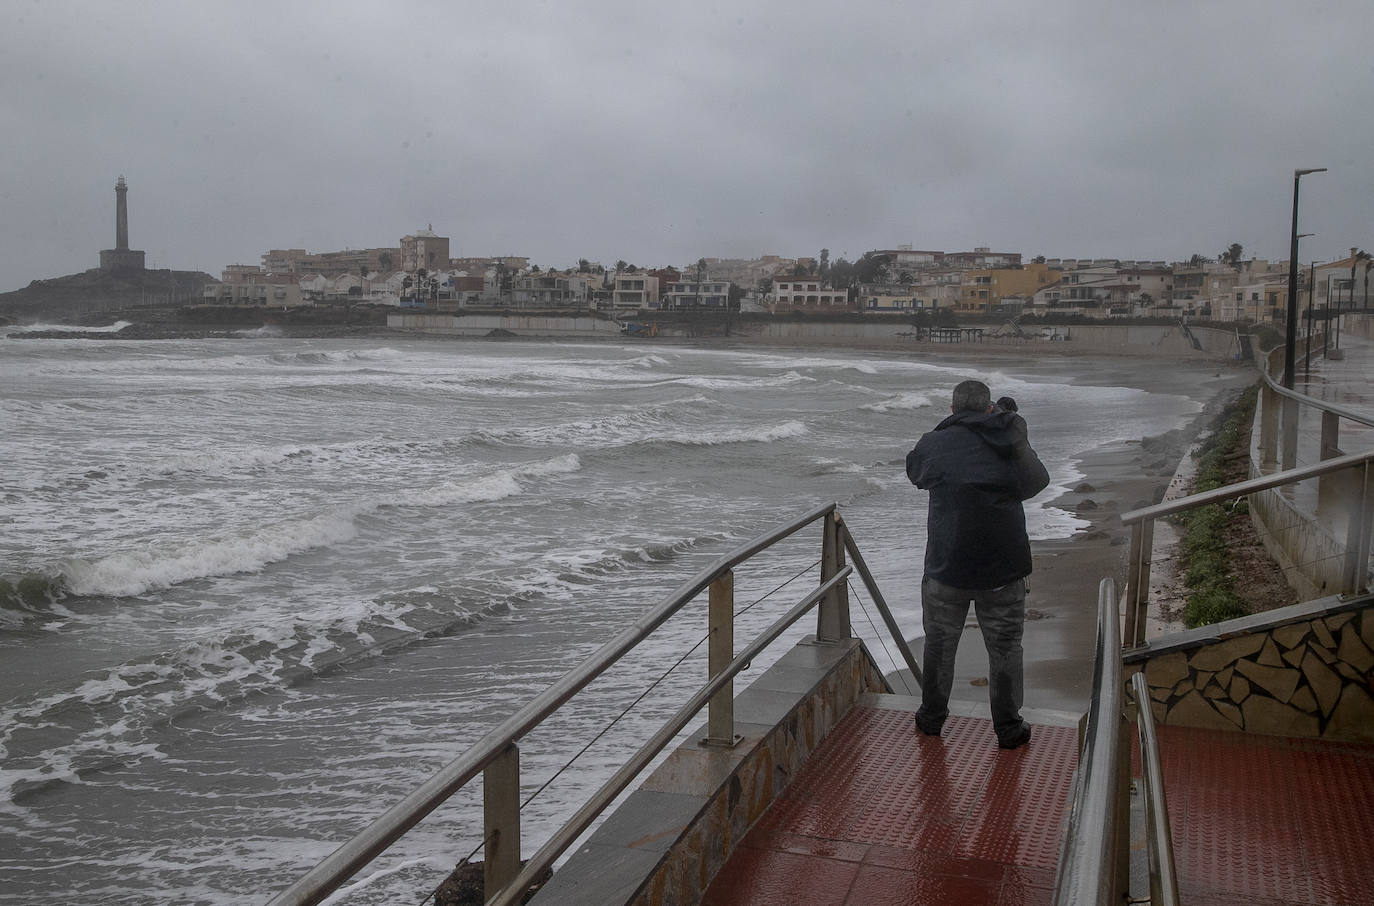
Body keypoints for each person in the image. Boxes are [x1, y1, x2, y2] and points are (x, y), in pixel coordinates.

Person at [905, 379, 1050, 749]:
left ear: (952, 409)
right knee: (1005, 647)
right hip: (1003, 568)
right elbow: (1036, 482)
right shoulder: (1008, 440)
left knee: (939, 644)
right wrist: (1013, 430)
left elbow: (916, 473)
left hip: (946, 566)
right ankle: (1008, 728)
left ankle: (932, 719)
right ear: (989, 409)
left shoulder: (935, 443)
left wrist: (948, 430)